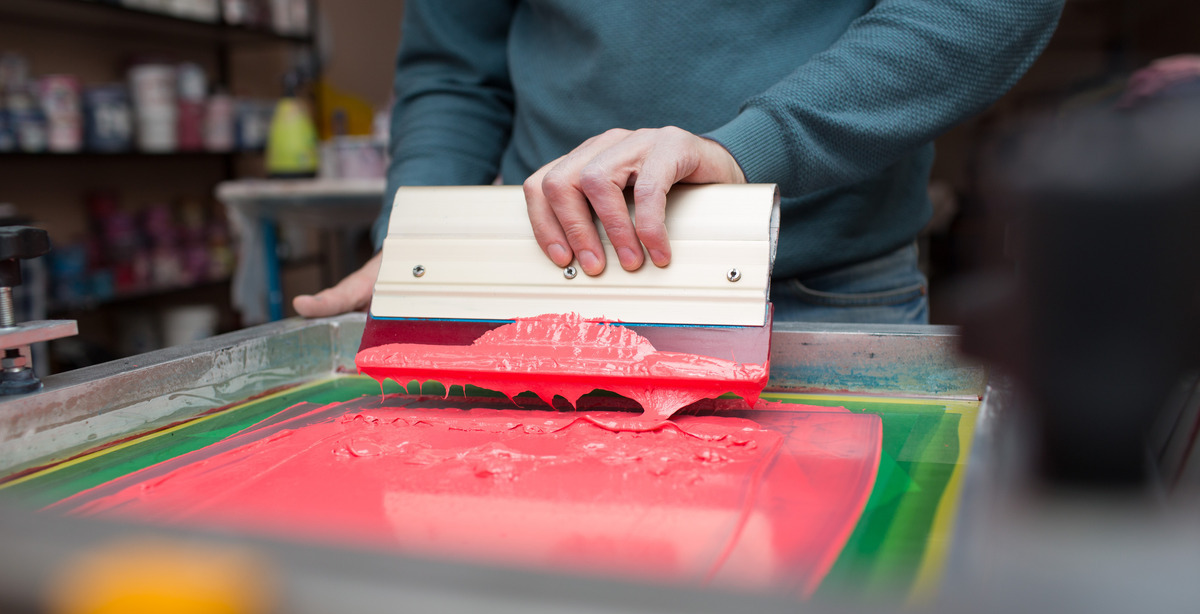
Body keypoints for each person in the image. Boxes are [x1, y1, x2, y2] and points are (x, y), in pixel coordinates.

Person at [294, 0, 1064, 323]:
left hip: (817, 292)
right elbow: (455, 68)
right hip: (546, 287)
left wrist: (748, 150)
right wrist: (419, 237)